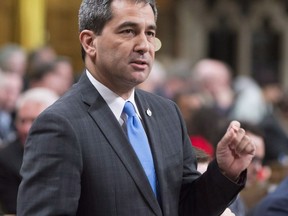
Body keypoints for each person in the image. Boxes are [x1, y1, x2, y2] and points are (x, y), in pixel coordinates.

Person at [17, 0, 255, 215]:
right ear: (90, 42)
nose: (144, 45)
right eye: (129, 31)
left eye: (150, 33)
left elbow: (186, 207)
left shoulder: (167, 113)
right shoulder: (60, 124)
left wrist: (224, 172)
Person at [0, 87, 59, 214]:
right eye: (22, 121)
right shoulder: (5, 158)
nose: (26, 129)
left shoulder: (68, 151)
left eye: (34, 120)